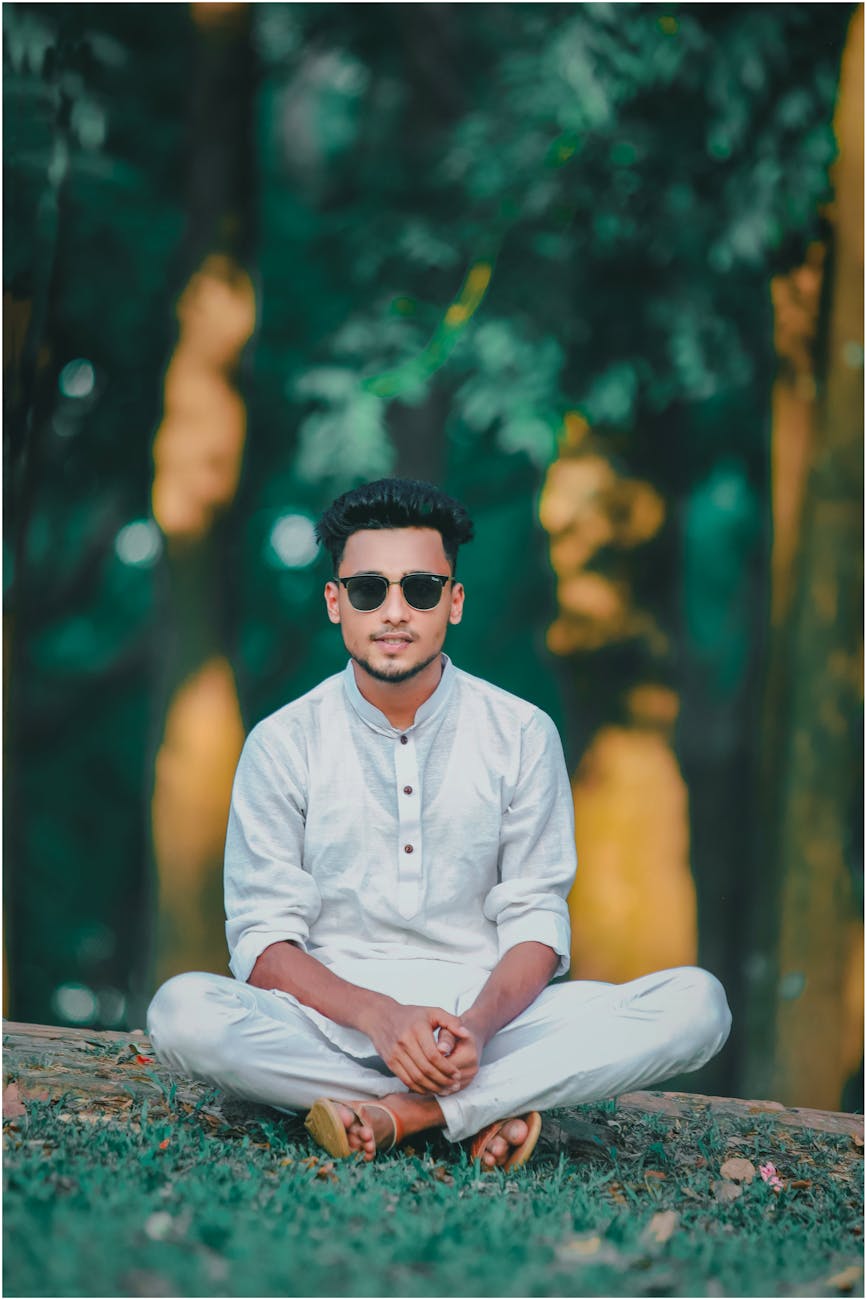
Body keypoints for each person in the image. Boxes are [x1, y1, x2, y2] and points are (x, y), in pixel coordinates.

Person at [147, 477, 731, 1171]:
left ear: (452, 602)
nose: (394, 611)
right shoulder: (282, 742)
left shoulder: (519, 732)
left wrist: (477, 1031)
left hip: (491, 1028)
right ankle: (484, 1108)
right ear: (335, 603)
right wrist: (380, 1018)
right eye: (368, 589)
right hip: (330, 1026)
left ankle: (409, 1113)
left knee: (697, 1006)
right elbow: (263, 940)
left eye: (420, 589)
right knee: (181, 1013)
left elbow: (535, 923)